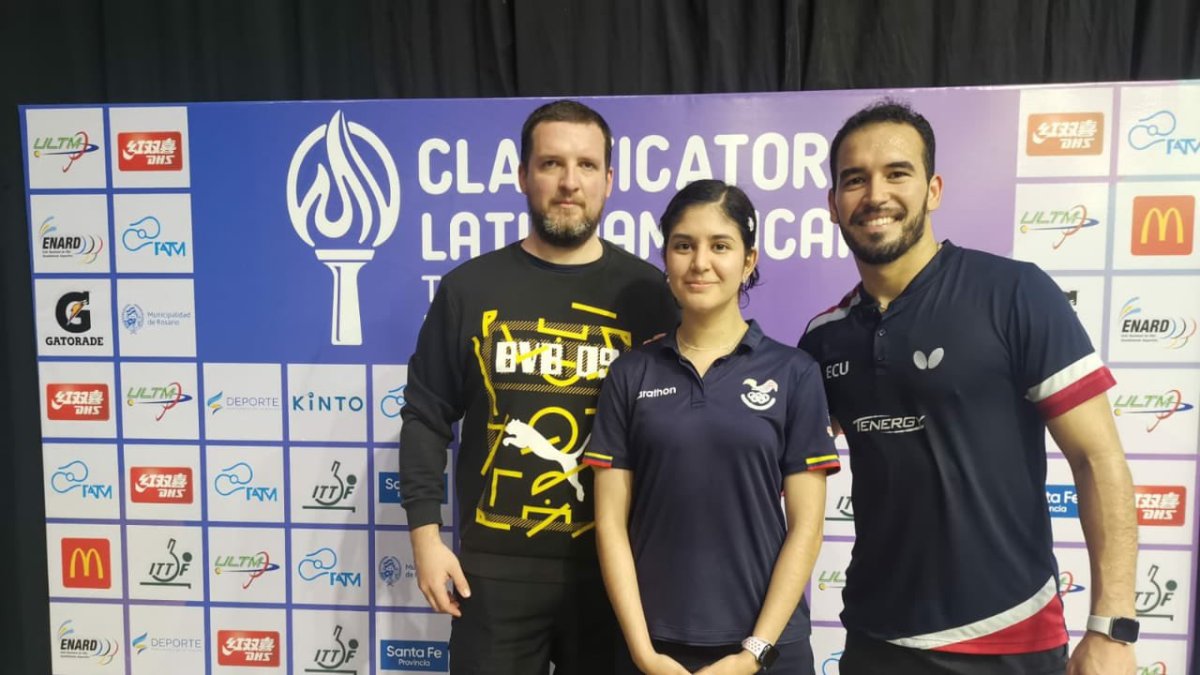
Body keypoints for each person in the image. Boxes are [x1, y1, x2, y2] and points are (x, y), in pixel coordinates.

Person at [798, 100, 1139, 675]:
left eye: (897, 173)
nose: (875, 194)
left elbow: (1097, 456)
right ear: (834, 205)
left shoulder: (1014, 293)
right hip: (874, 640)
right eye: (854, 180)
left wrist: (1112, 626)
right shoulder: (824, 339)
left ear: (933, 190)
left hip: (1010, 639)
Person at [399, 99, 679, 674]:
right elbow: (426, 416)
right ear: (523, 175)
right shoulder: (468, 290)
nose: (569, 182)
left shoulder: (651, 294)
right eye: (551, 164)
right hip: (494, 575)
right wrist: (425, 540)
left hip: (616, 571)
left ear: (609, 180)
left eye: (585, 165)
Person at [586, 179, 839, 674]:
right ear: (666, 258)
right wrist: (643, 652)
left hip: (769, 648)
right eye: (684, 245)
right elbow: (611, 524)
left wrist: (753, 654)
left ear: (749, 261)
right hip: (654, 648)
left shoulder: (794, 373)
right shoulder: (630, 373)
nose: (700, 262)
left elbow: (806, 528)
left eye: (720, 246)